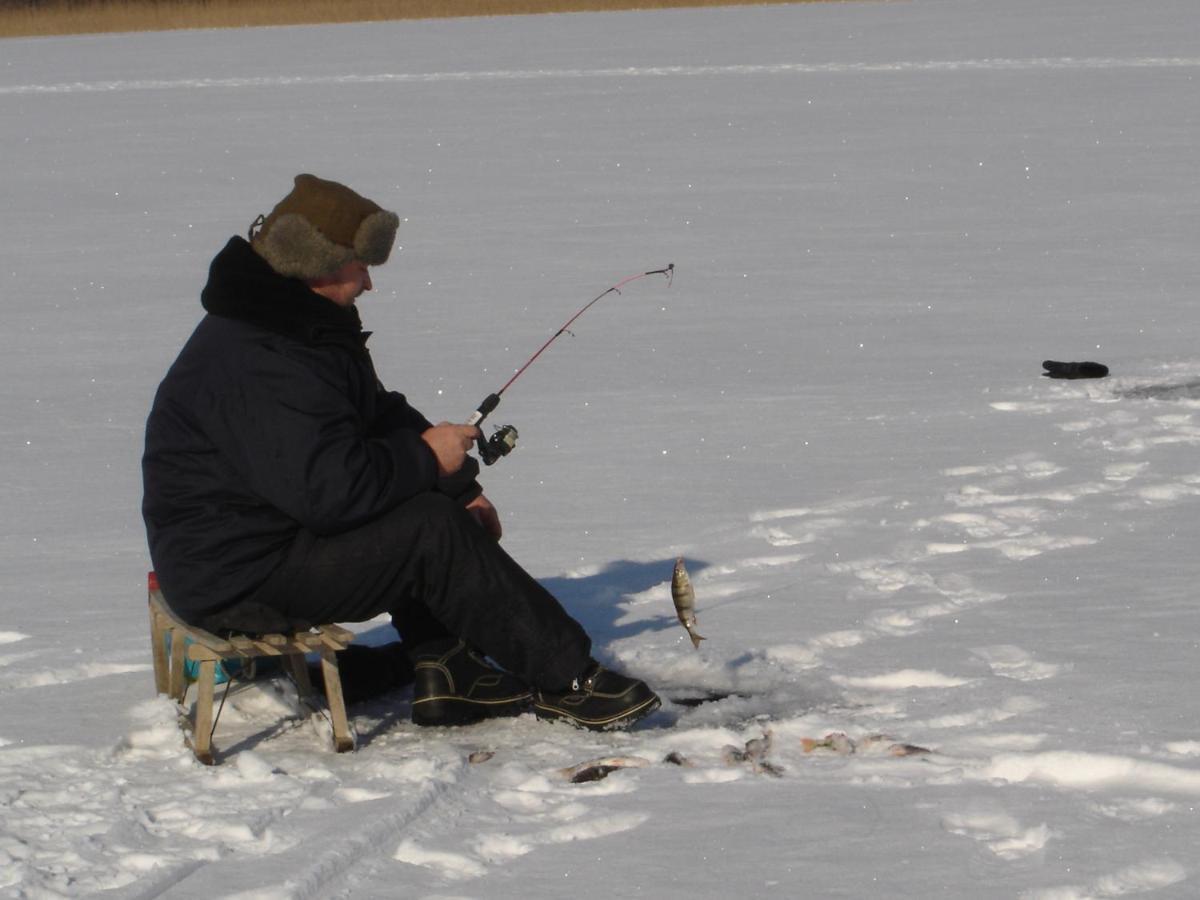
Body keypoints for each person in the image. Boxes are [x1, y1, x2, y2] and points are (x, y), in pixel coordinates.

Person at [142, 173, 660, 731]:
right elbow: (333, 495)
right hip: (235, 579)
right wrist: (427, 463)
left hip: (259, 545)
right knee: (427, 531)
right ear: (316, 262)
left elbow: (374, 414)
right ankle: (569, 678)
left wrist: (459, 484)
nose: (369, 283)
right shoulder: (263, 358)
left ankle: (447, 671)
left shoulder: (295, 326)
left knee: (427, 508)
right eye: (360, 266)